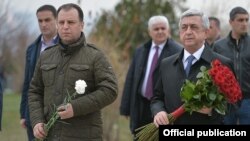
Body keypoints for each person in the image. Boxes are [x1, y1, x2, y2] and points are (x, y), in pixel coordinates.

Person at [28, 3, 118, 140]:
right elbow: (35, 91)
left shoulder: (94, 56)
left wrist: (75, 108)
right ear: (57, 25)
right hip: (50, 135)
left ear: (81, 25)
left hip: (83, 136)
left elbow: (110, 90)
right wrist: (37, 121)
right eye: (61, 22)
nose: (65, 27)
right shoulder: (46, 56)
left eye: (70, 22)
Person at [151, 9, 233, 126]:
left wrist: (212, 111)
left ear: (205, 32)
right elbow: (157, 98)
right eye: (184, 27)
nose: (188, 31)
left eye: (194, 27)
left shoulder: (221, 64)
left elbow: (233, 104)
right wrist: (158, 112)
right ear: (179, 32)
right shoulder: (166, 64)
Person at [120, 15, 182, 135]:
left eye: (163, 28)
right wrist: (125, 107)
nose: (160, 31)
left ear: (168, 30)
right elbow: (131, 78)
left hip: (162, 108)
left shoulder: (178, 51)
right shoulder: (141, 50)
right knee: (139, 136)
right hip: (140, 104)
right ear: (149, 32)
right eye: (156, 29)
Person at [19, 4, 58, 141]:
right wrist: (23, 113)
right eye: (40, 21)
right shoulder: (32, 49)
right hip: (33, 115)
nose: (43, 24)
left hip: (57, 114)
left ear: (56, 20)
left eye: (47, 20)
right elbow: (27, 82)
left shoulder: (65, 46)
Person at [213, 7, 250, 124]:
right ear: (231, 22)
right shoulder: (219, 46)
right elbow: (213, 71)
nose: (244, 23)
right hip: (226, 101)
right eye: (240, 20)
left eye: (246, 20)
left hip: (247, 101)